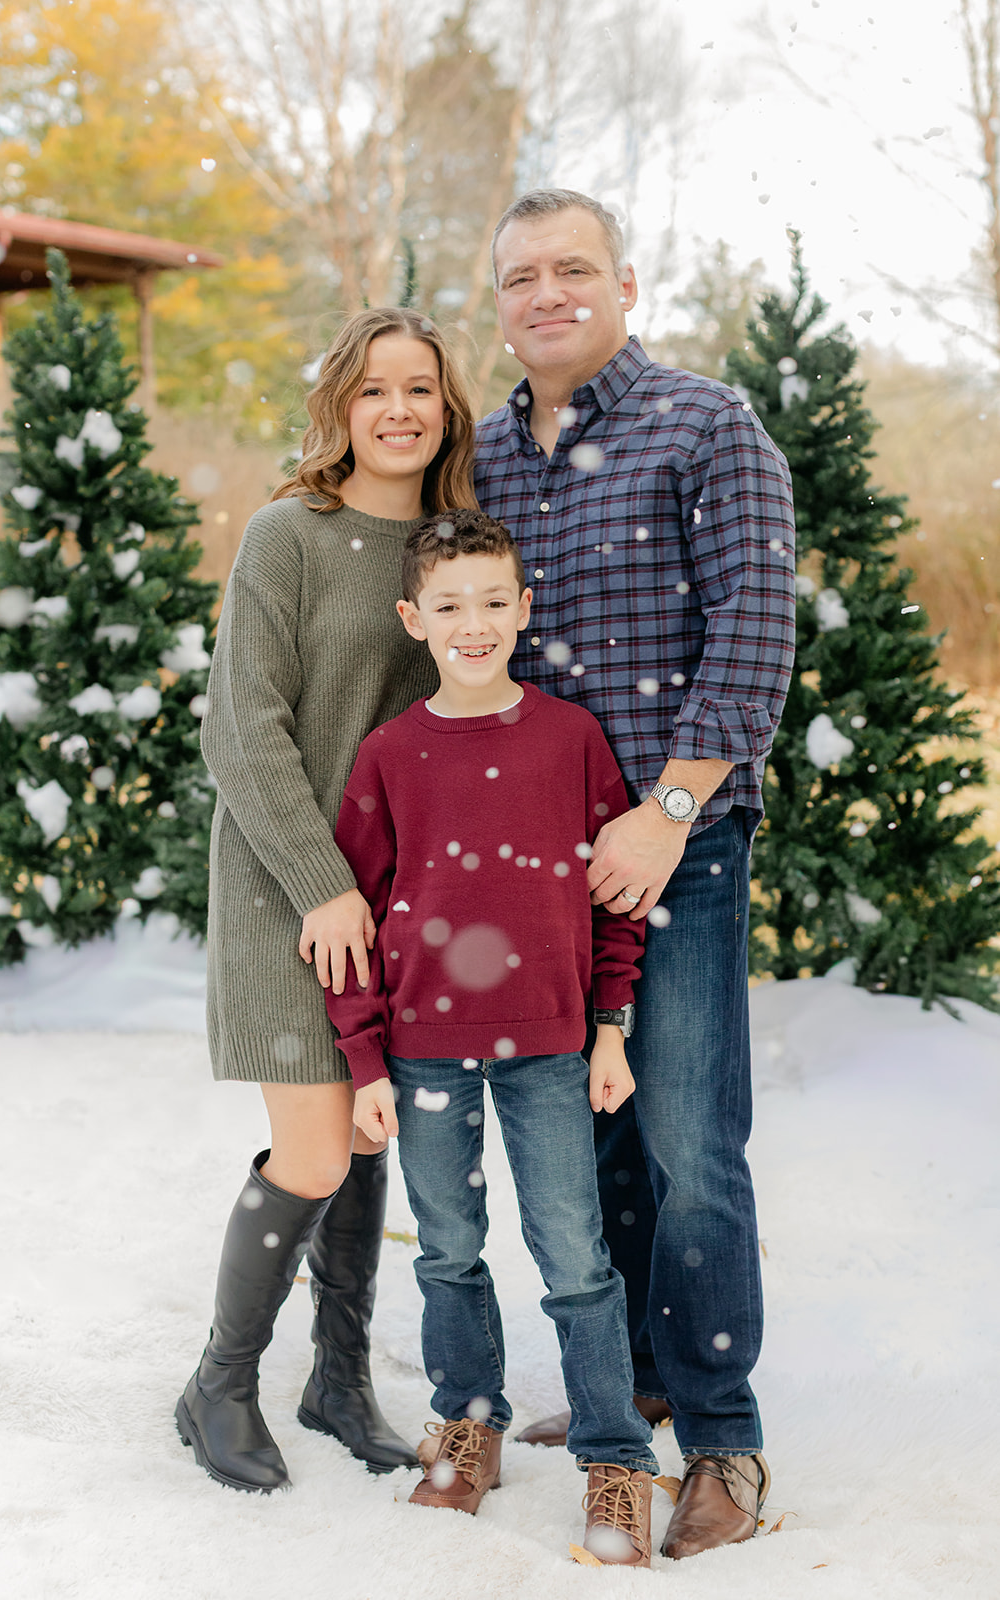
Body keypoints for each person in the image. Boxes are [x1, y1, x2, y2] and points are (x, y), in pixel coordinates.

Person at [473, 188, 797, 1559]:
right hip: (533, 860)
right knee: (592, 1127)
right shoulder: (481, 456)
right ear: (498, 304)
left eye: (570, 269)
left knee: (683, 1132)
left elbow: (752, 631)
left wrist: (665, 809)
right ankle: (640, 1379)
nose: (545, 294)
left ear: (621, 283)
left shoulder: (703, 423)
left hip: (678, 842)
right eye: (519, 277)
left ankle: (722, 1437)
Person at [175, 307, 477, 1493]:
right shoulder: (286, 534)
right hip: (283, 882)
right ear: (339, 406)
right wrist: (323, 885)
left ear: (446, 408)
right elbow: (240, 732)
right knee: (309, 1151)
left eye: (421, 389)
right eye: (373, 390)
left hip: (399, 902)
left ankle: (337, 1378)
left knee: (363, 1138)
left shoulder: (453, 554)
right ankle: (220, 1383)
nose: (398, 410)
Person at [325, 508, 660, 1567]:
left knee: (574, 1255)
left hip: (552, 1049)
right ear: (412, 617)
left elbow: (613, 906)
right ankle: (468, 1424)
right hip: (422, 1053)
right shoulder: (388, 756)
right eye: (449, 605)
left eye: (491, 602)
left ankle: (614, 1457)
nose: (473, 624)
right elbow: (355, 919)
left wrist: (611, 1031)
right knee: (448, 1248)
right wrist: (364, 1062)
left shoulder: (570, 740)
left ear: (523, 607)